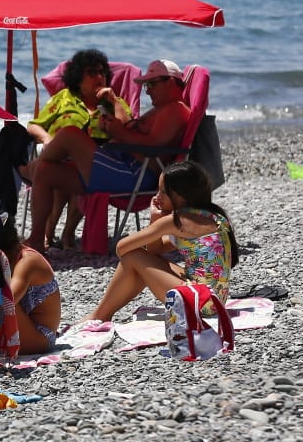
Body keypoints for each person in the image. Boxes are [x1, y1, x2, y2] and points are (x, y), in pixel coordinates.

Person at [19, 59, 191, 254]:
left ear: (169, 82)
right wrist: (117, 122)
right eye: (145, 86)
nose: (148, 90)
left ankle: (28, 169)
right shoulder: (162, 109)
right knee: (45, 171)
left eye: (151, 84)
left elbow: (153, 146)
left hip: (134, 173)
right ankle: (37, 240)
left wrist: (119, 133)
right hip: (122, 166)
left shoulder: (176, 109)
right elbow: (132, 129)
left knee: (70, 134)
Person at [84, 160, 237, 325]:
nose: (157, 197)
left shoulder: (177, 220)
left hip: (200, 302)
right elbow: (156, 251)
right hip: (215, 299)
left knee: (133, 256)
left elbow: (122, 248)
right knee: (141, 260)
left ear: (180, 196)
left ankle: (100, 315)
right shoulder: (214, 216)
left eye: (163, 192)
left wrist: (156, 223)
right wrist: (156, 219)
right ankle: (102, 313)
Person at [25, 48, 133, 250]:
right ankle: (47, 235)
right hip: (59, 156)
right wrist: (47, 138)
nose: (99, 77)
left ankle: (65, 234)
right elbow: (33, 125)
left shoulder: (111, 102)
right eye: (92, 72)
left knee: (64, 168)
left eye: (102, 72)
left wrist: (114, 101)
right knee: (54, 166)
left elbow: (130, 129)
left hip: (96, 161)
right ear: (78, 76)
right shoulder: (64, 98)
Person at [0, 221, 60, 355]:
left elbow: (8, 301)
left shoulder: (27, 261)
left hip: (41, 337)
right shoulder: (13, 256)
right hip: (27, 328)